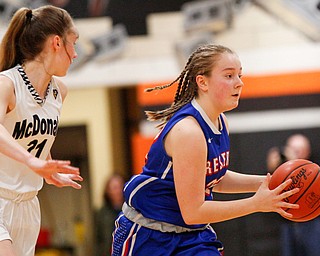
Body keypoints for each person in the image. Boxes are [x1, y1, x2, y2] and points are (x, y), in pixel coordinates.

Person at [111, 44, 300, 256]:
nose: (239, 83)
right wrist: (256, 204)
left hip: (191, 235)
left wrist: (272, 182)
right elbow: (193, 211)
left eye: (239, 75)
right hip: (150, 235)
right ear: (202, 82)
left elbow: (213, 178)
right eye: (229, 75)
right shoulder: (189, 131)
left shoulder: (220, 122)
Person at [0, 5, 83, 256]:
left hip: (28, 204)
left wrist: (47, 167)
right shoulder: (7, 83)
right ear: (57, 42)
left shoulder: (60, 91)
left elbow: (30, 134)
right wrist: (31, 161)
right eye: (74, 43)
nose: (76, 54)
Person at [266, 134, 320, 256]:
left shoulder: (315, 169)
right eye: (293, 149)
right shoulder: (281, 170)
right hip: (287, 223)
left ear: (308, 150)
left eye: (299, 149)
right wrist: (273, 168)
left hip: (312, 222)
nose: (296, 153)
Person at [95, 174, 125, 256]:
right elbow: (99, 239)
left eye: (120, 187)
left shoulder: (131, 210)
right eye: (114, 188)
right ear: (108, 191)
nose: (118, 191)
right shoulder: (102, 213)